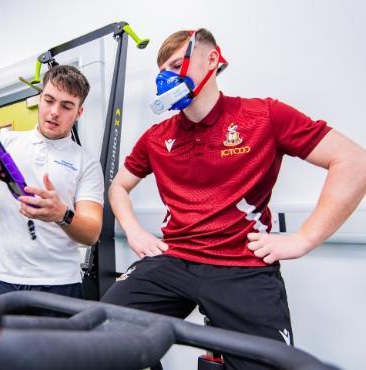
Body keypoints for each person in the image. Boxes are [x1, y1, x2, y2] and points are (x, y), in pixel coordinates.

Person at [101, 28, 366, 369]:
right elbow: (118, 187)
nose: (167, 77)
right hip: (174, 259)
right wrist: (134, 231)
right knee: (97, 336)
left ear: (212, 59)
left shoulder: (263, 116)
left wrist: (305, 238)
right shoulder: (157, 137)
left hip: (241, 266)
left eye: (176, 64)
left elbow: (353, 162)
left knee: (274, 364)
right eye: (162, 71)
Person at [0, 65, 104, 299]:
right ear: (39, 99)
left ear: (79, 113)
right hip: (0, 279)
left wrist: (62, 215)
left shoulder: (87, 163)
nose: (54, 112)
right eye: (49, 100)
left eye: (66, 106)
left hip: (60, 284)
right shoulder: (6, 142)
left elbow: (92, 233)